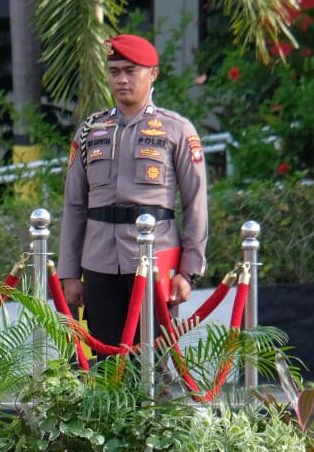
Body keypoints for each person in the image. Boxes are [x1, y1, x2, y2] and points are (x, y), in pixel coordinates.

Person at [59, 34, 208, 347]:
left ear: (153, 74)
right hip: (99, 262)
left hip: (154, 262)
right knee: (106, 360)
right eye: (114, 72)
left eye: (131, 71)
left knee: (153, 357)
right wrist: (69, 273)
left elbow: (195, 203)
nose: (122, 79)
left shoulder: (176, 129)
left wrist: (188, 271)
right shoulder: (90, 131)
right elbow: (74, 204)